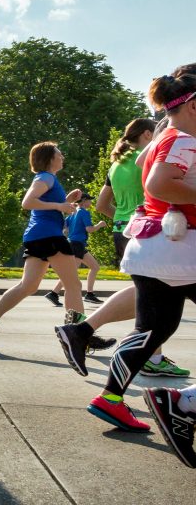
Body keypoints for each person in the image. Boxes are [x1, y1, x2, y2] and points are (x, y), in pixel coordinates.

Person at [80, 71, 196, 439]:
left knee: (155, 329)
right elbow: (159, 184)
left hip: (155, 247)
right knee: (154, 328)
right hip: (178, 250)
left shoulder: (165, 137)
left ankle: (111, 397)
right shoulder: (184, 140)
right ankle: (181, 404)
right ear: (194, 106)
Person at [55, 117, 188, 377]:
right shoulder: (152, 155)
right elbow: (165, 188)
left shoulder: (117, 164)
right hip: (153, 227)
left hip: (126, 229)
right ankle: (84, 330)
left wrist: (124, 218)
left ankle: (150, 355)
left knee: (154, 292)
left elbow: (103, 204)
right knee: (155, 292)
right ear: (149, 134)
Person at [0, 141, 85, 350]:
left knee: (29, 286)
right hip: (49, 236)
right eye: (59, 153)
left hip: (37, 236)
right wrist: (60, 205)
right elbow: (27, 202)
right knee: (73, 285)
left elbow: (47, 208)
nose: (62, 157)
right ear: (49, 158)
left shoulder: (48, 180)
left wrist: (66, 201)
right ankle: (78, 334)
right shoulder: (45, 177)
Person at [46, 194, 106, 304]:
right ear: (83, 201)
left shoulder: (73, 213)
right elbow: (89, 229)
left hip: (75, 244)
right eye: (89, 200)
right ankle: (54, 293)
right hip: (77, 245)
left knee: (95, 267)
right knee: (71, 272)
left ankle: (89, 294)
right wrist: (100, 225)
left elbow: (64, 227)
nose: (91, 203)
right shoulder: (84, 212)